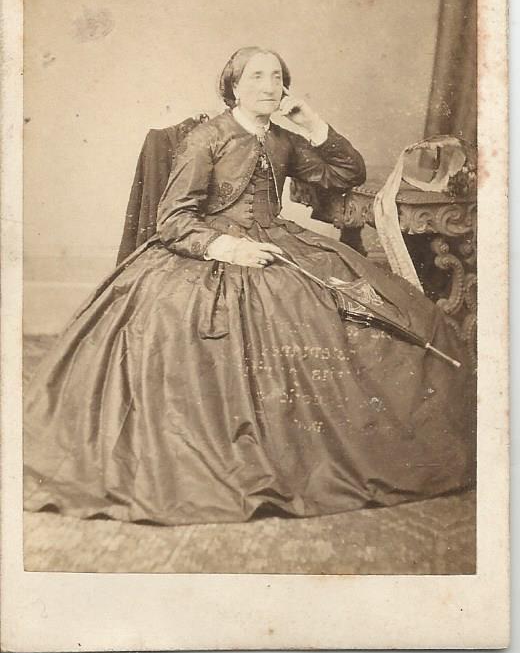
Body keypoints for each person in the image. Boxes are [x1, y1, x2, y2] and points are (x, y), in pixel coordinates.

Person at [24, 46, 476, 526]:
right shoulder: (207, 138)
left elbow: (348, 173)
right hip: (209, 253)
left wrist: (313, 123)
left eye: (276, 77)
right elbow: (173, 220)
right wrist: (227, 247)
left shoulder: (282, 139)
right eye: (256, 77)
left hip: (279, 242)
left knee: (371, 314)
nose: (268, 86)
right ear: (234, 87)